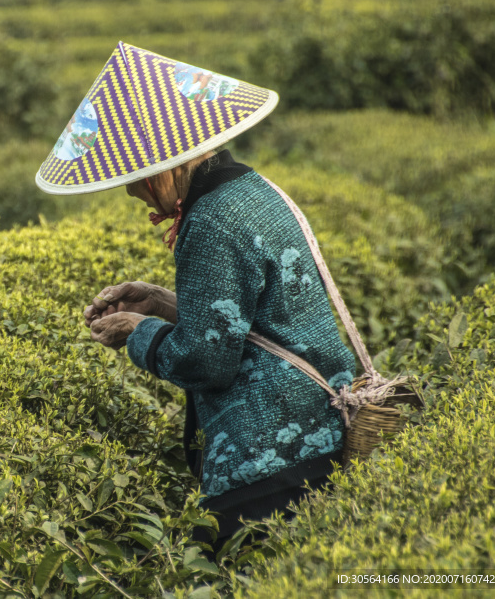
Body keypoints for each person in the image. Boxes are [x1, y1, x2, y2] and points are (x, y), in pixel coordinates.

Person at [35, 42, 355, 557]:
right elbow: (252, 316)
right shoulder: (252, 189)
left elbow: (208, 360)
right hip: (318, 429)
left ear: (163, 165)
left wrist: (135, 332)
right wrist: (160, 302)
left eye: (133, 178)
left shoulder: (209, 221)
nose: (130, 192)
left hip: (269, 454)